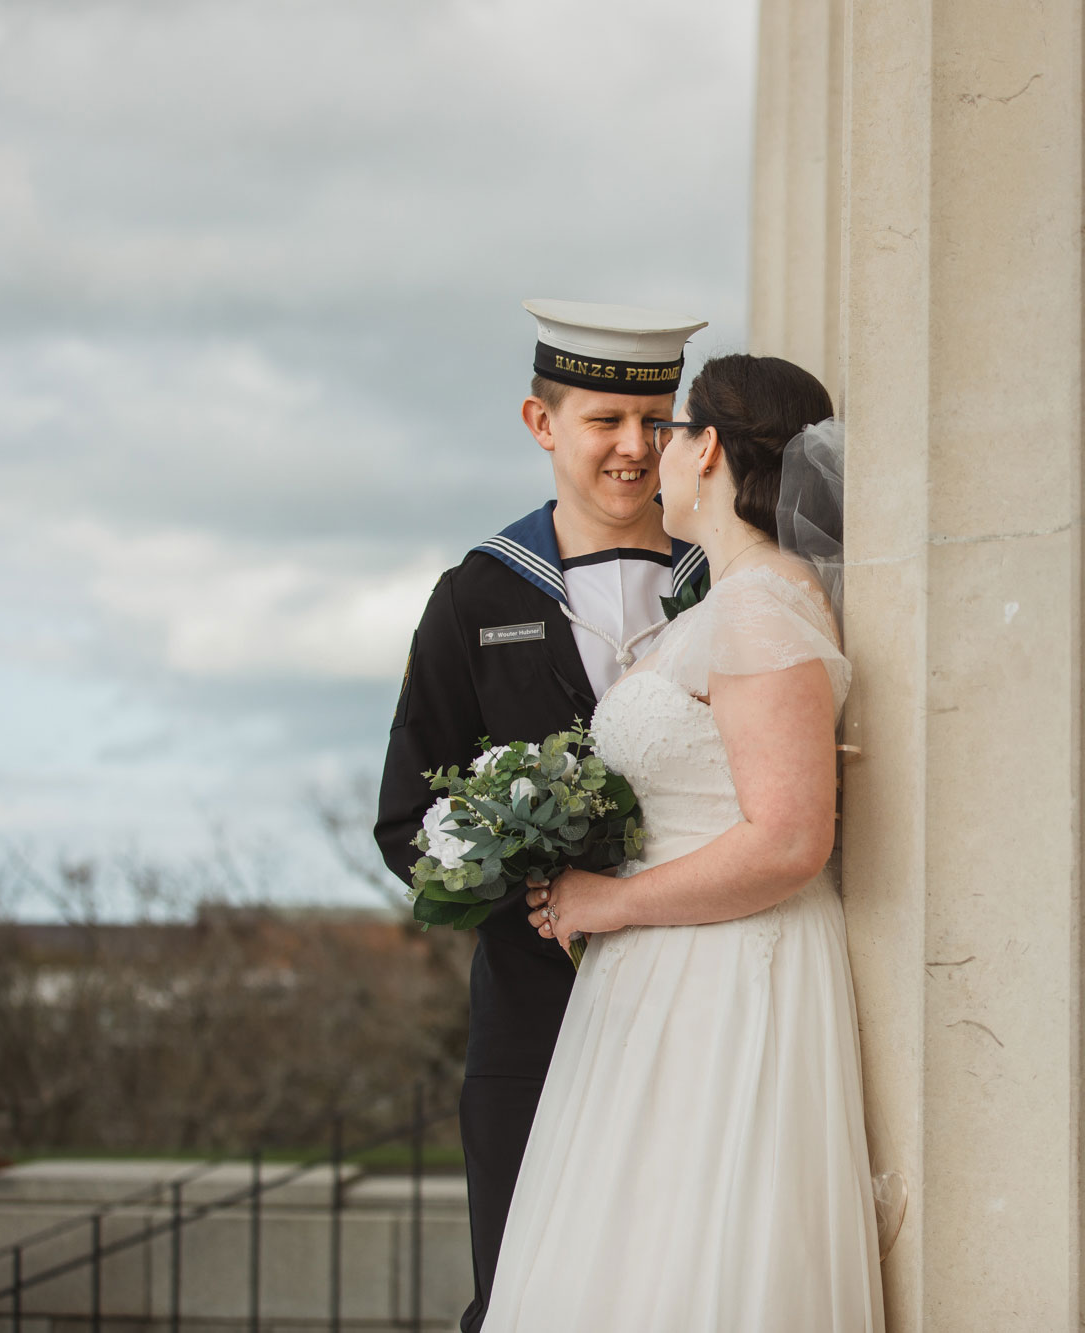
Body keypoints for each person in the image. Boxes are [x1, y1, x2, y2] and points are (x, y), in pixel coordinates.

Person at [481, 354, 883, 1331]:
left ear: (703, 447)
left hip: (721, 981)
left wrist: (602, 899)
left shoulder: (759, 610)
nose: (652, 453)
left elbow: (788, 840)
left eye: (668, 430)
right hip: (663, 980)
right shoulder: (731, 605)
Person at [372, 300, 713, 1333]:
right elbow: (405, 817)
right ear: (540, 423)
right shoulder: (474, 598)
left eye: (653, 422)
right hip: (534, 1020)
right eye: (604, 421)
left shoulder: (728, 584)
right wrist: (525, 882)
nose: (631, 447)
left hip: (702, 1003)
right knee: (531, 1293)